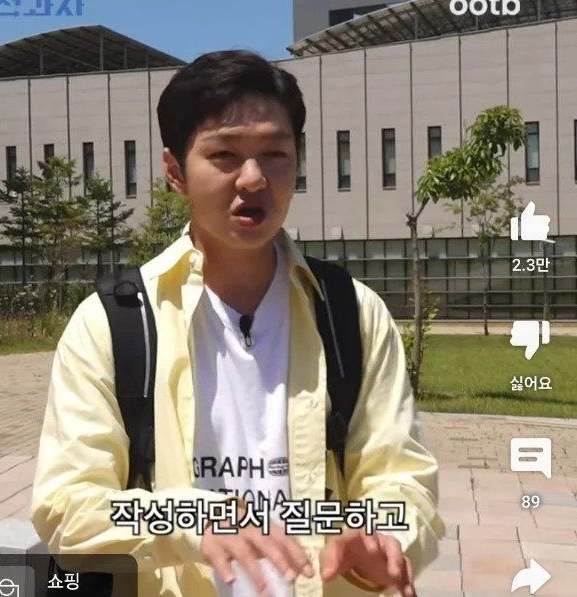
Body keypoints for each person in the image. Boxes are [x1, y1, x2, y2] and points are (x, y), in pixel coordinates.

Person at [31, 49, 445, 597]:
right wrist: (194, 522)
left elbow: (402, 477)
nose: (253, 179)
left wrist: (386, 538)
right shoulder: (112, 323)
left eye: (275, 153)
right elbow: (68, 507)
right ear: (175, 171)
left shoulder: (351, 313)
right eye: (224, 154)